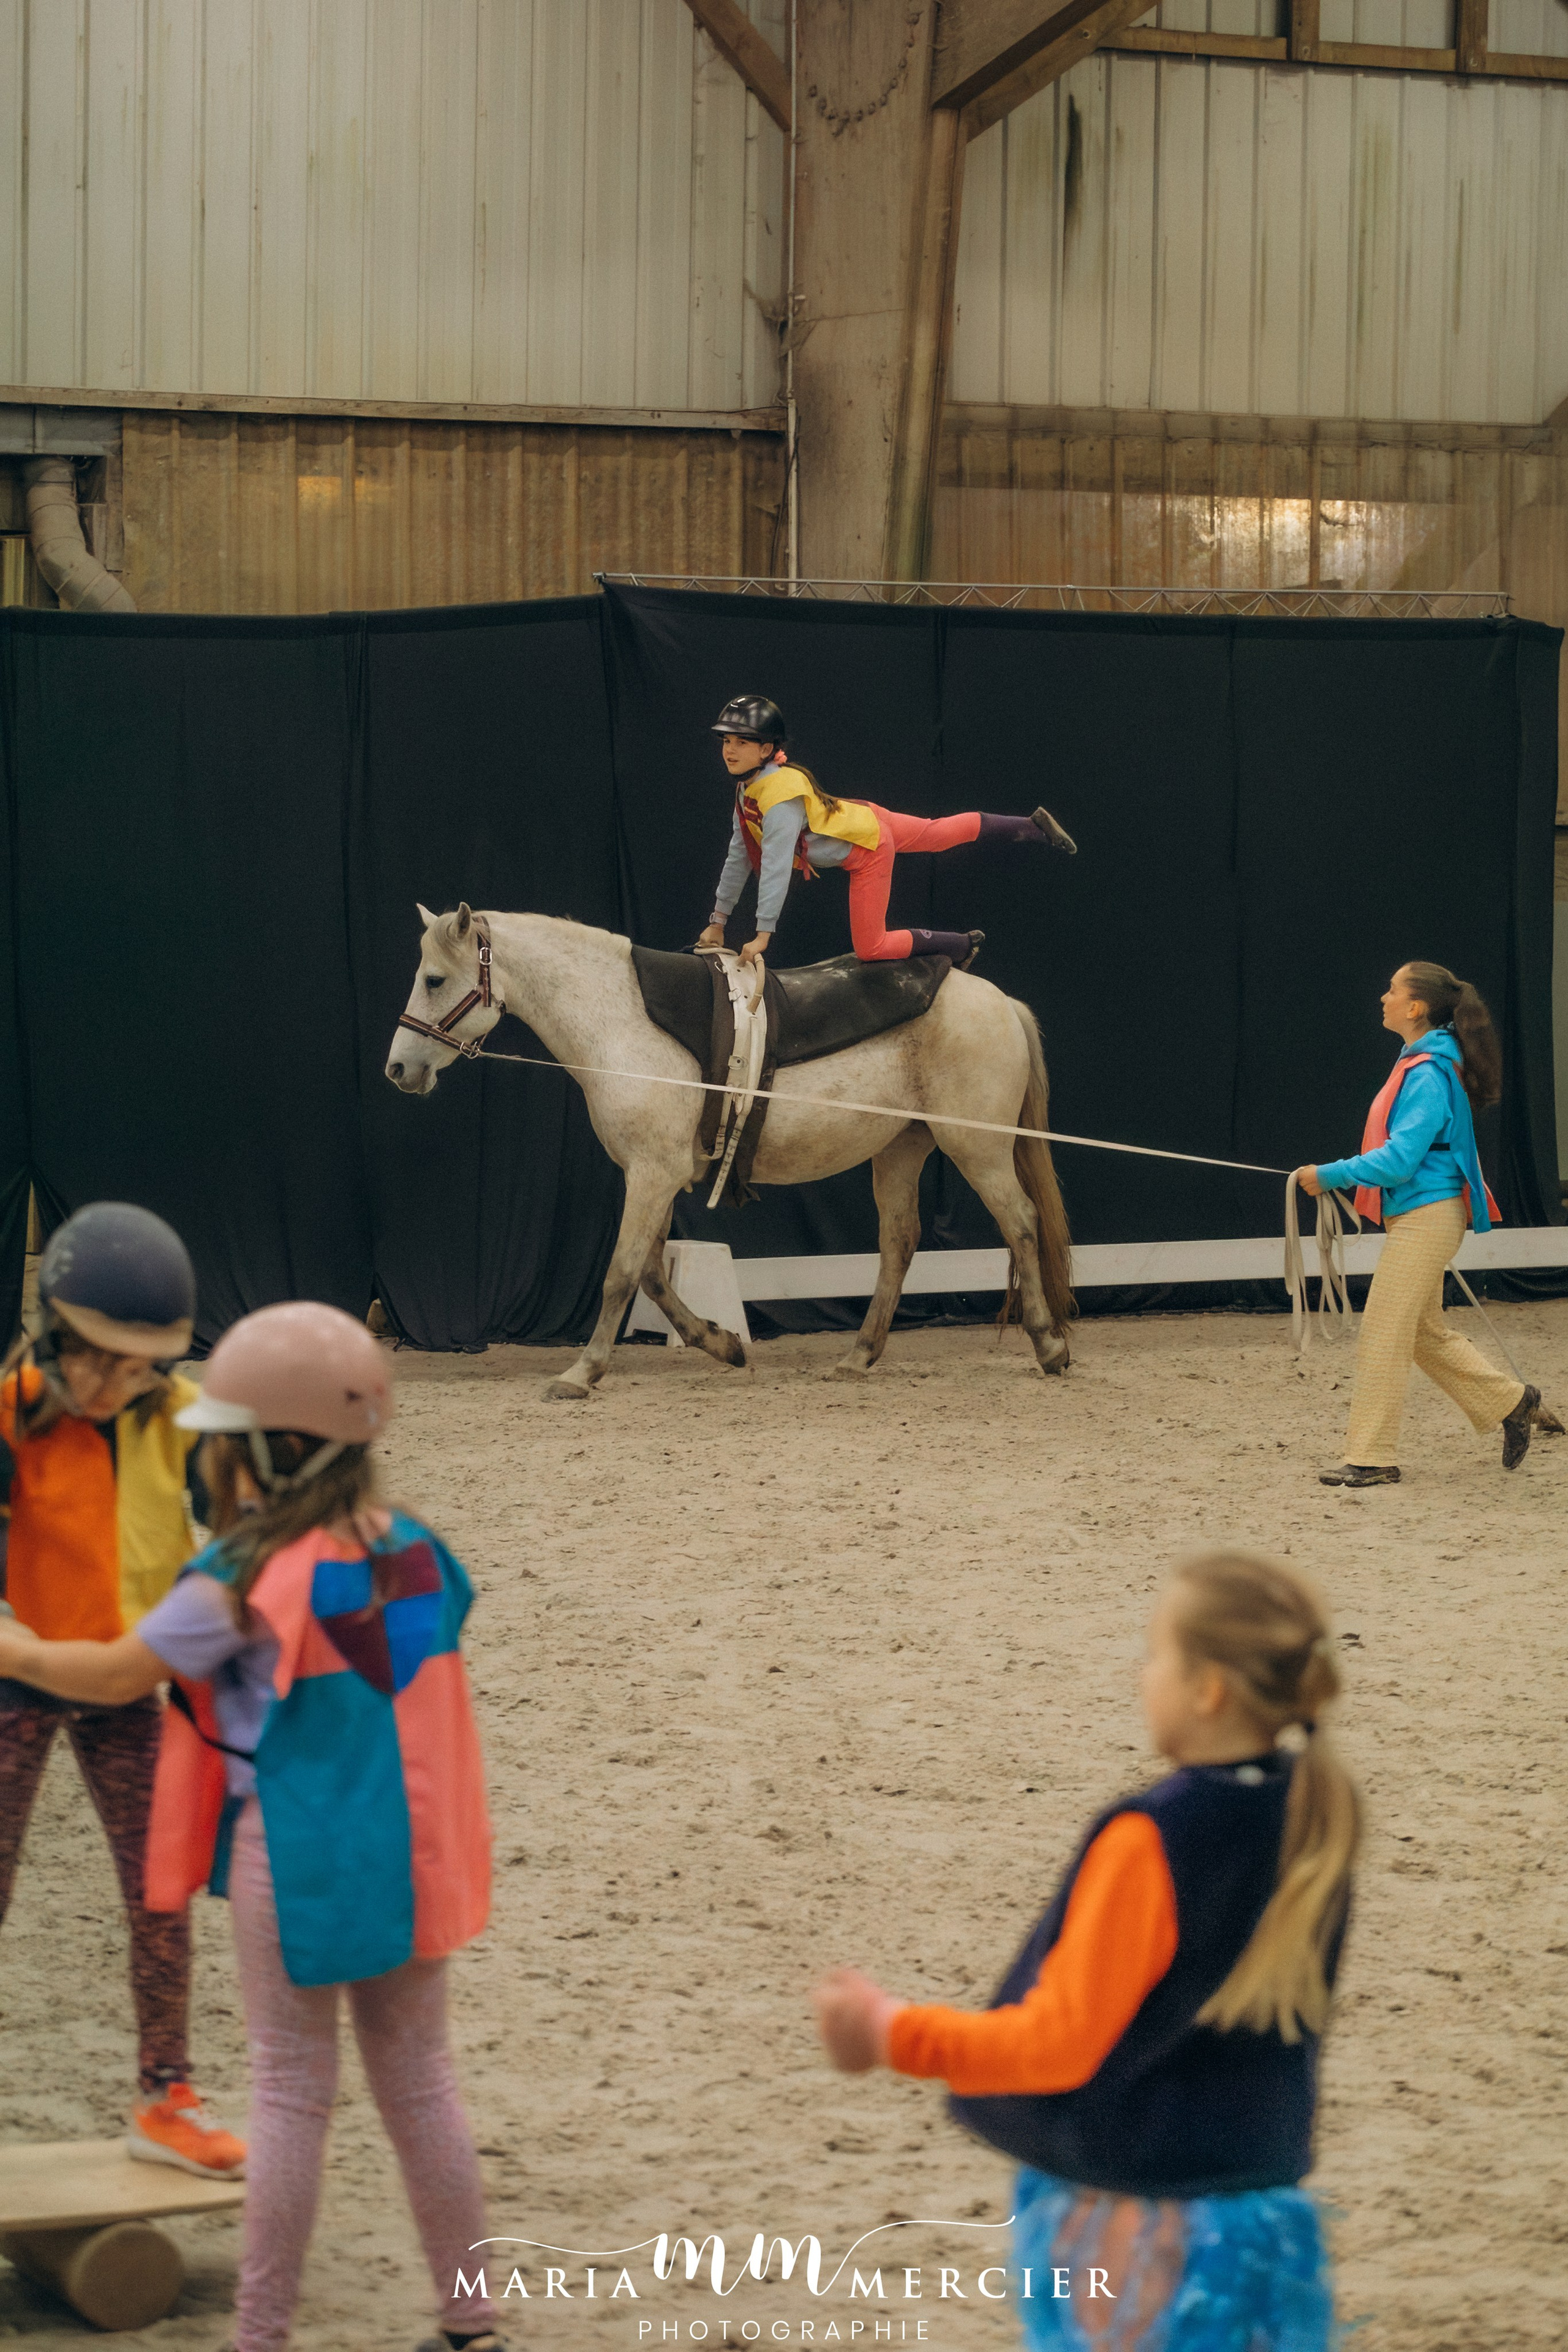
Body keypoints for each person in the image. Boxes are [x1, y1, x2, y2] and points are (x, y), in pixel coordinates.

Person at [0, 1301, 506, 2352]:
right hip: (411, 1857)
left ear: (272, 1453)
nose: (212, 1466)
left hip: (302, 1866)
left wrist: (11, 1647)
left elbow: (111, 1674)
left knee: (287, 2093)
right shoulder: (418, 1549)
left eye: (224, 1447)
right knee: (422, 2088)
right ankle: (473, 2323)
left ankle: (260, 2337)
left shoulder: (234, 1581)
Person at [814, 1550, 1358, 2352]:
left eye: (1156, 1654)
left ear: (1208, 1688)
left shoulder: (1151, 1839)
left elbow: (1059, 2046)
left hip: (1135, 2223)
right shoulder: (1312, 1815)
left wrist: (890, 2032)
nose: (1145, 1674)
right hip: (1258, 2215)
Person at [0, 1200, 244, 2179]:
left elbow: (253, 1511)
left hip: (127, 1678)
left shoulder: (184, 1418)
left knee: (160, 1888)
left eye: (137, 1366)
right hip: (15, 1673)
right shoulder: (11, 1412)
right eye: (95, 1358)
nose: (111, 1383)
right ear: (55, 1335)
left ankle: (167, 2092)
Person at [1292, 960, 1558, 1489]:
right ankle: (1512, 1401)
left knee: (1384, 1331)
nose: (1383, 998)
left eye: (1392, 991)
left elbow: (1398, 1162)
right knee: (1422, 1333)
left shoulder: (1429, 1072)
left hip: (1427, 1216)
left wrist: (1329, 1175)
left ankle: (1371, 1457)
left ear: (1415, 1007)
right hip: (1424, 1214)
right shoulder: (1423, 1064)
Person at [696, 693, 1076, 971]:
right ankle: (1031, 826)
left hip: (869, 848)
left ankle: (961, 944)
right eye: (727, 741)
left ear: (765, 750)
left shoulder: (778, 798)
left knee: (872, 948)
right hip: (863, 815)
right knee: (938, 833)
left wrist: (763, 935)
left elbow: (776, 867)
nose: (729, 750)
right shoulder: (751, 788)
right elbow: (740, 853)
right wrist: (719, 921)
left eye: (740, 742)